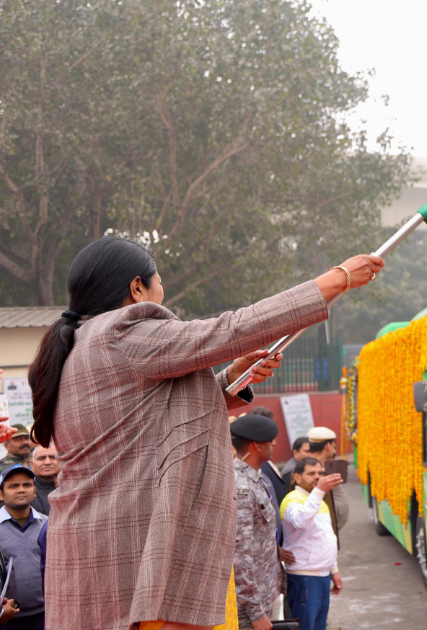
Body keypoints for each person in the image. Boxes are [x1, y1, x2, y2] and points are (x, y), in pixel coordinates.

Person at [28, 236, 382, 630]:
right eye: (159, 282)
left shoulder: (80, 344)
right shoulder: (124, 330)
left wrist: (231, 377)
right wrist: (338, 279)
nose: (163, 295)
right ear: (136, 288)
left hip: (86, 553)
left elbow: (149, 417)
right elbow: (233, 329)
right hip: (130, 553)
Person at [232, 414, 293, 630]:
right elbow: (239, 556)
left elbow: (260, 536)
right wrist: (256, 613)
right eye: (270, 440)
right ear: (257, 445)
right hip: (249, 609)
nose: (274, 444)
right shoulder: (242, 488)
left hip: (264, 593)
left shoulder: (254, 478)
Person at [281, 458, 344, 630]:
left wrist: (334, 570)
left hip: (322, 575)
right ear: (297, 477)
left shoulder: (318, 500)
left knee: (319, 626)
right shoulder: (292, 499)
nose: (317, 477)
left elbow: (325, 538)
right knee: (306, 626)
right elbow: (300, 521)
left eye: (320, 473)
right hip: (304, 577)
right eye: (311, 473)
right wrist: (320, 491)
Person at [0, 465, 47, 630]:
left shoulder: (49, 524)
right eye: (13, 486)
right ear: (1, 494)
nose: (21, 490)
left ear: (34, 491)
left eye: (26, 485)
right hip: (6, 618)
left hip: (45, 616)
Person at [307, 427, 350, 532]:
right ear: (327, 446)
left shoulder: (314, 466)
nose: (335, 451)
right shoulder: (312, 470)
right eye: (334, 447)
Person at [28, 444, 58, 517]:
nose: (47, 462)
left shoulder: (74, 488)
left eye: (53, 457)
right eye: (41, 458)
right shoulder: (27, 492)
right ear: (32, 464)